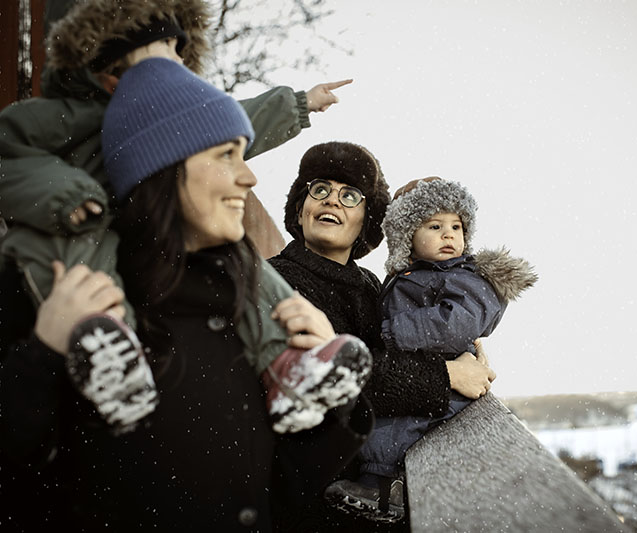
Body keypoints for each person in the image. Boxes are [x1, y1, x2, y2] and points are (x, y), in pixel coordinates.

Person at [0, 56, 373, 531]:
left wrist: (333, 405)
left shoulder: (246, 305)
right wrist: (41, 358)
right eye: (226, 155)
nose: (249, 177)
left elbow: (276, 492)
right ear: (163, 162)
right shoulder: (51, 294)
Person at [0, 0, 353, 433]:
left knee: (245, 265)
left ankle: (287, 361)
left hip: (152, 231)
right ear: (104, 62)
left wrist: (296, 105)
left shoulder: (176, 119)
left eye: (174, 48)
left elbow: (228, 130)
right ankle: (111, 350)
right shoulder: (65, 118)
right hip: (85, 220)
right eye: (156, 49)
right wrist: (64, 193)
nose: (173, 61)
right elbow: (9, 153)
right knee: (79, 263)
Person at [268, 144, 502, 531]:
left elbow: (395, 353)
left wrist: (466, 356)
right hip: (309, 494)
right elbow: (333, 376)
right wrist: (447, 376)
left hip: (374, 497)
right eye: (319, 189)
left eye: (350, 195)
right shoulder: (274, 281)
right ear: (300, 208)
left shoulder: (372, 286)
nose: (332, 200)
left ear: (367, 220)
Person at [324, 176, 538, 522]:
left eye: (456, 226)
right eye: (435, 226)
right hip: (423, 378)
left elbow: (457, 325)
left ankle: (382, 490)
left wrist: (394, 332)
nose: (448, 235)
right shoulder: (417, 275)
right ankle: (388, 487)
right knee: (386, 424)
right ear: (407, 237)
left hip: (445, 386)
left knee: (393, 430)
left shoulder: (463, 276)